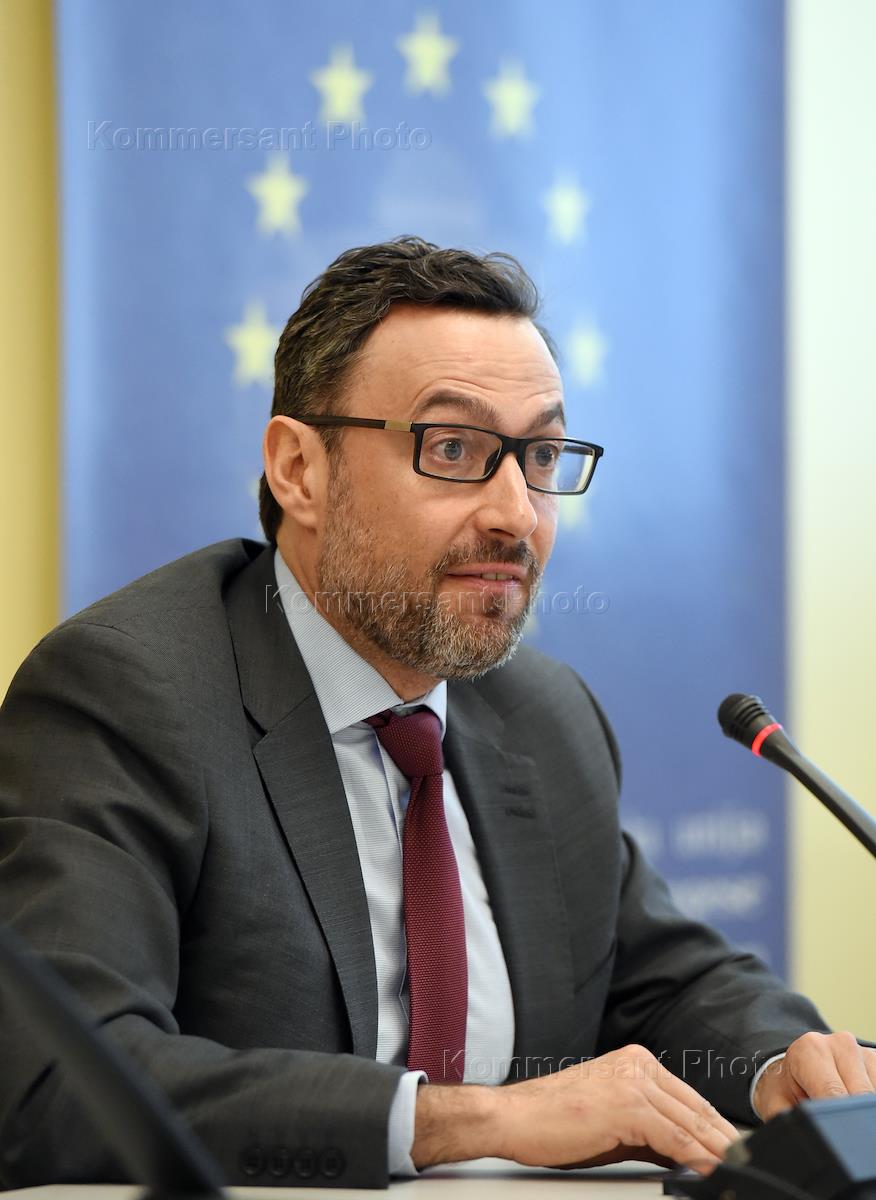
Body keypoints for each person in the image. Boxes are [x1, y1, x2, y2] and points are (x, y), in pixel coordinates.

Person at [0, 237, 872, 1192]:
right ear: (299, 469)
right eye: (452, 449)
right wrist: (477, 1120)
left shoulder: (542, 716)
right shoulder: (129, 695)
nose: (516, 513)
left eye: (541, 455)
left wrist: (780, 1064)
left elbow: (664, 979)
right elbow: (53, 1083)